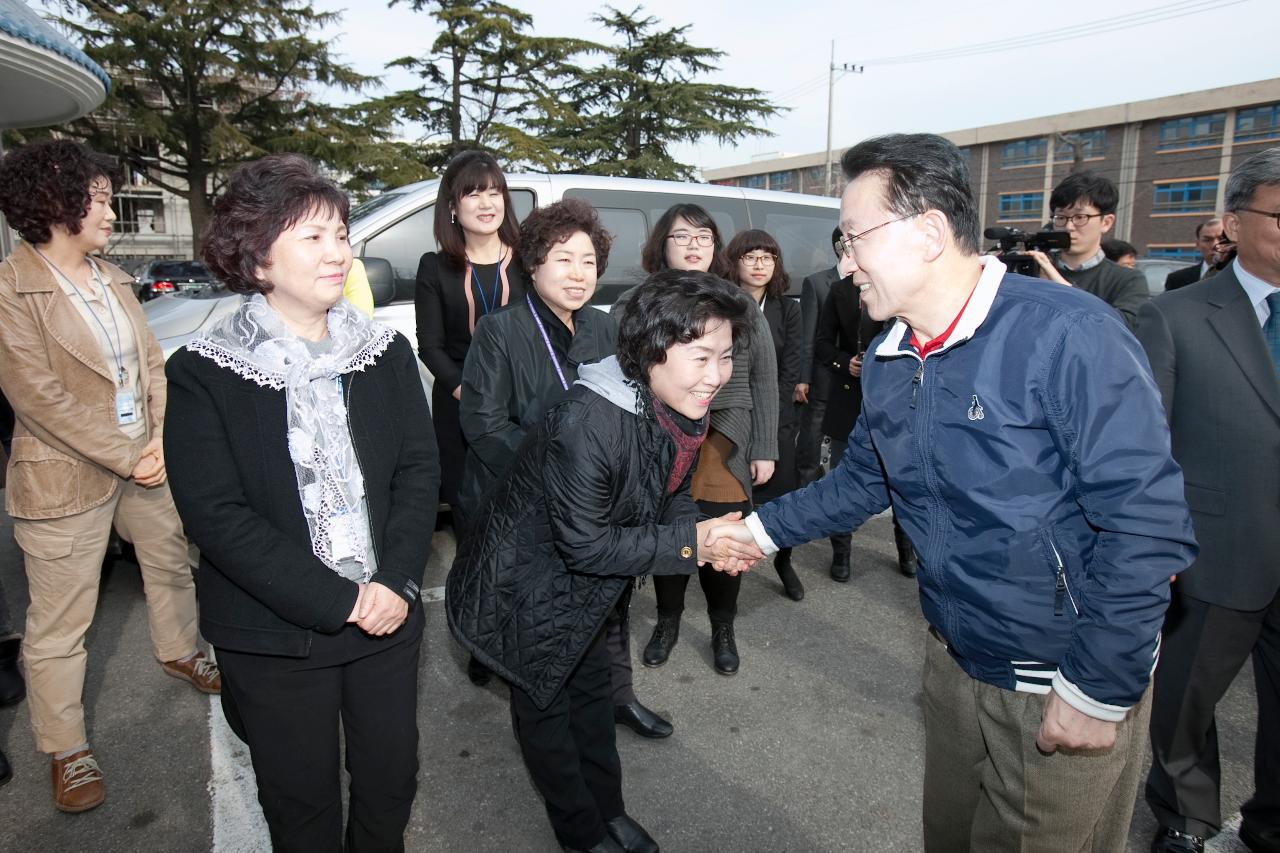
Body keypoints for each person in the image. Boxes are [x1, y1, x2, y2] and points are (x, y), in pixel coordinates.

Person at [707, 133, 1197, 852]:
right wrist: (758, 532)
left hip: (1058, 679)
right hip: (953, 660)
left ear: (930, 231)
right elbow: (862, 483)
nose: (843, 262)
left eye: (853, 238)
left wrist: (1098, 687)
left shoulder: (1069, 336)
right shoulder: (889, 354)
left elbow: (1148, 529)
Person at [164, 154, 440, 853]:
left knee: (390, 783)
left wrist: (394, 582)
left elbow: (418, 469)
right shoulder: (205, 369)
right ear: (257, 256)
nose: (338, 251)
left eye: (341, 233)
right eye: (313, 236)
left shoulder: (383, 351)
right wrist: (339, 600)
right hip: (275, 635)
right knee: (301, 804)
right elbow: (216, 515)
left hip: (387, 616)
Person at [447, 270, 761, 853]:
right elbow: (586, 543)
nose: (715, 376)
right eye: (700, 357)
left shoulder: (676, 404)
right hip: (524, 588)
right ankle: (581, 833)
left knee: (593, 701)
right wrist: (696, 543)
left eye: (724, 357)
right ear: (649, 351)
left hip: (590, 588)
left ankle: (609, 812)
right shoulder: (588, 421)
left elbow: (670, 491)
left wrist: (702, 529)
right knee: (546, 716)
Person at [0, 139, 218, 814]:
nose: (109, 209)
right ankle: (66, 746)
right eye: (97, 196)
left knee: (170, 561)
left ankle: (180, 648)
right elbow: (34, 393)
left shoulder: (114, 278)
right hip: (64, 473)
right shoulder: (12, 287)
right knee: (61, 622)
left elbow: (151, 366)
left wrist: (153, 439)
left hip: (142, 456)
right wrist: (127, 454)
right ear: (54, 202)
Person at [1135, 146, 1280, 853]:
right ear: (1235, 217)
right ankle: (1186, 818)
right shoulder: (1177, 316)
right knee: (1186, 704)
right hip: (1212, 551)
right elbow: (1146, 444)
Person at [617, 204, 778, 677]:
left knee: (724, 532)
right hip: (660, 432)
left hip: (725, 439)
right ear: (661, 245)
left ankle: (722, 627)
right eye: (682, 236)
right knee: (671, 534)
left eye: (704, 237)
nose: (693, 245)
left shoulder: (738, 301)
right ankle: (667, 622)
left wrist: (765, 445)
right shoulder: (636, 300)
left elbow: (766, 376)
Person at [414, 150, 528, 514]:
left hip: (522, 407)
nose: (486, 203)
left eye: (494, 193)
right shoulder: (434, 267)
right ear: (452, 205)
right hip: (460, 408)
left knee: (522, 515)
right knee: (471, 518)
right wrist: (472, 394)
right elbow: (430, 345)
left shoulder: (529, 261)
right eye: (473, 193)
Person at [812, 257, 917, 581]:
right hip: (848, 397)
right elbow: (823, 343)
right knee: (845, 479)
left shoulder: (902, 285)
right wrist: (846, 363)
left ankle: (907, 549)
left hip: (895, 398)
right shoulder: (839, 291)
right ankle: (841, 552)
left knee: (903, 480)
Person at [724, 228, 804, 601]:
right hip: (732, 414)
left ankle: (784, 561)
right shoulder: (723, 303)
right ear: (734, 262)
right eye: (751, 257)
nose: (760, 265)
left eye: (767, 258)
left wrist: (771, 424)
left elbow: (790, 369)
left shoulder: (788, 308)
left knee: (781, 497)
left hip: (775, 416)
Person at [1029, 171, 1150, 330]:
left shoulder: (1128, 280)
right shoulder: (1034, 267)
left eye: (1080, 217)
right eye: (1061, 217)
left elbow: (1121, 329)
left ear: (1106, 222)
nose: (1068, 227)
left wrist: (1064, 289)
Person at [795, 228, 843, 488]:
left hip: (856, 378)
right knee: (812, 437)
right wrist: (803, 378)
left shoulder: (873, 281)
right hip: (822, 376)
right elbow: (807, 335)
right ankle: (806, 490)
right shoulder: (816, 282)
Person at [1164, 217, 1225, 291]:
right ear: (1198, 245)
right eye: (1207, 240)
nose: (1215, 245)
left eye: (1222, 239)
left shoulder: (1241, 276)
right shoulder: (1177, 280)